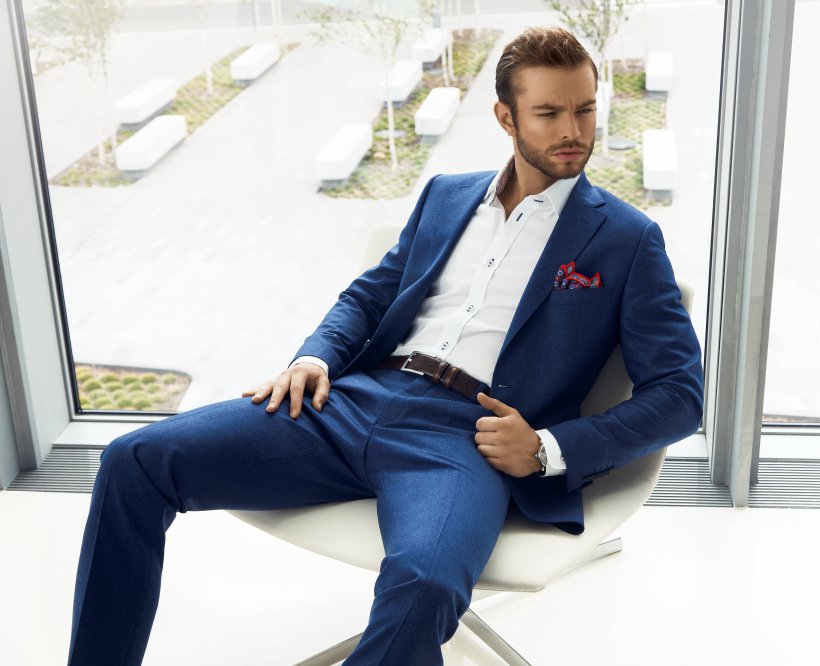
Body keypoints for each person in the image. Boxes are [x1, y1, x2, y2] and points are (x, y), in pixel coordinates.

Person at [68, 25, 703, 666]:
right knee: (134, 461)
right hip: (352, 402)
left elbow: (680, 395)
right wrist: (314, 357)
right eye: (549, 113)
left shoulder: (627, 239)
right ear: (506, 117)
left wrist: (545, 449)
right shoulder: (446, 195)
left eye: (585, 109)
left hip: (466, 441)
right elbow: (370, 297)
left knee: (424, 584)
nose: (573, 130)